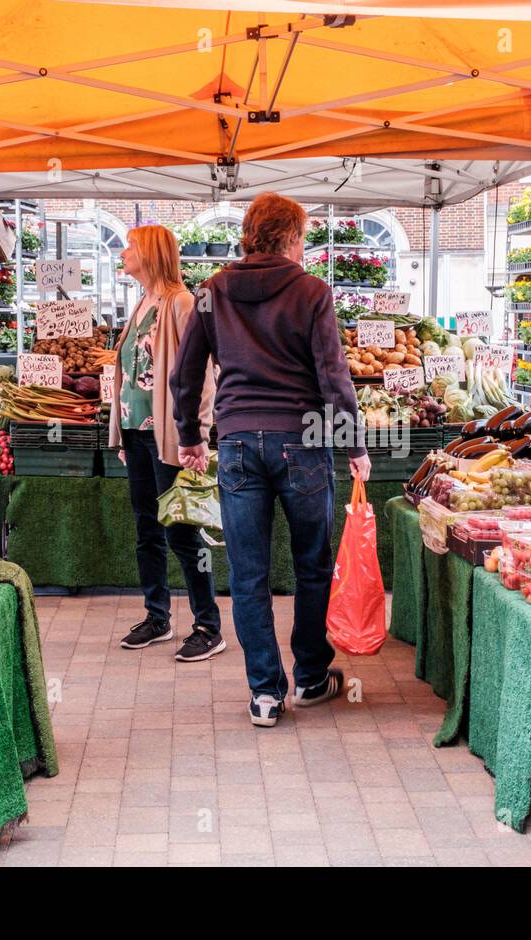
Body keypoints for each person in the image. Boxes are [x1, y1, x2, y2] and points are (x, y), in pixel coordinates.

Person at [170, 193, 371, 728]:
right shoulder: (311, 291)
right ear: (290, 237)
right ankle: (309, 676)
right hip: (302, 442)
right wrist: (355, 445)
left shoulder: (211, 292)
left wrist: (190, 435)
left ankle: (264, 693)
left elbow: (186, 374)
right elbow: (334, 378)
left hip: (235, 443)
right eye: (302, 235)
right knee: (312, 566)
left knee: (248, 573)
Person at [110, 224, 223, 662]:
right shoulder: (142, 302)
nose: (123, 253)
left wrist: (198, 434)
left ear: (151, 253)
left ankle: (208, 624)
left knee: (181, 530)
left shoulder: (181, 303)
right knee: (146, 529)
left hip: (171, 435)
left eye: (131, 246)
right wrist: (121, 432)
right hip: (138, 433)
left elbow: (204, 373)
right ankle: (157, 616)